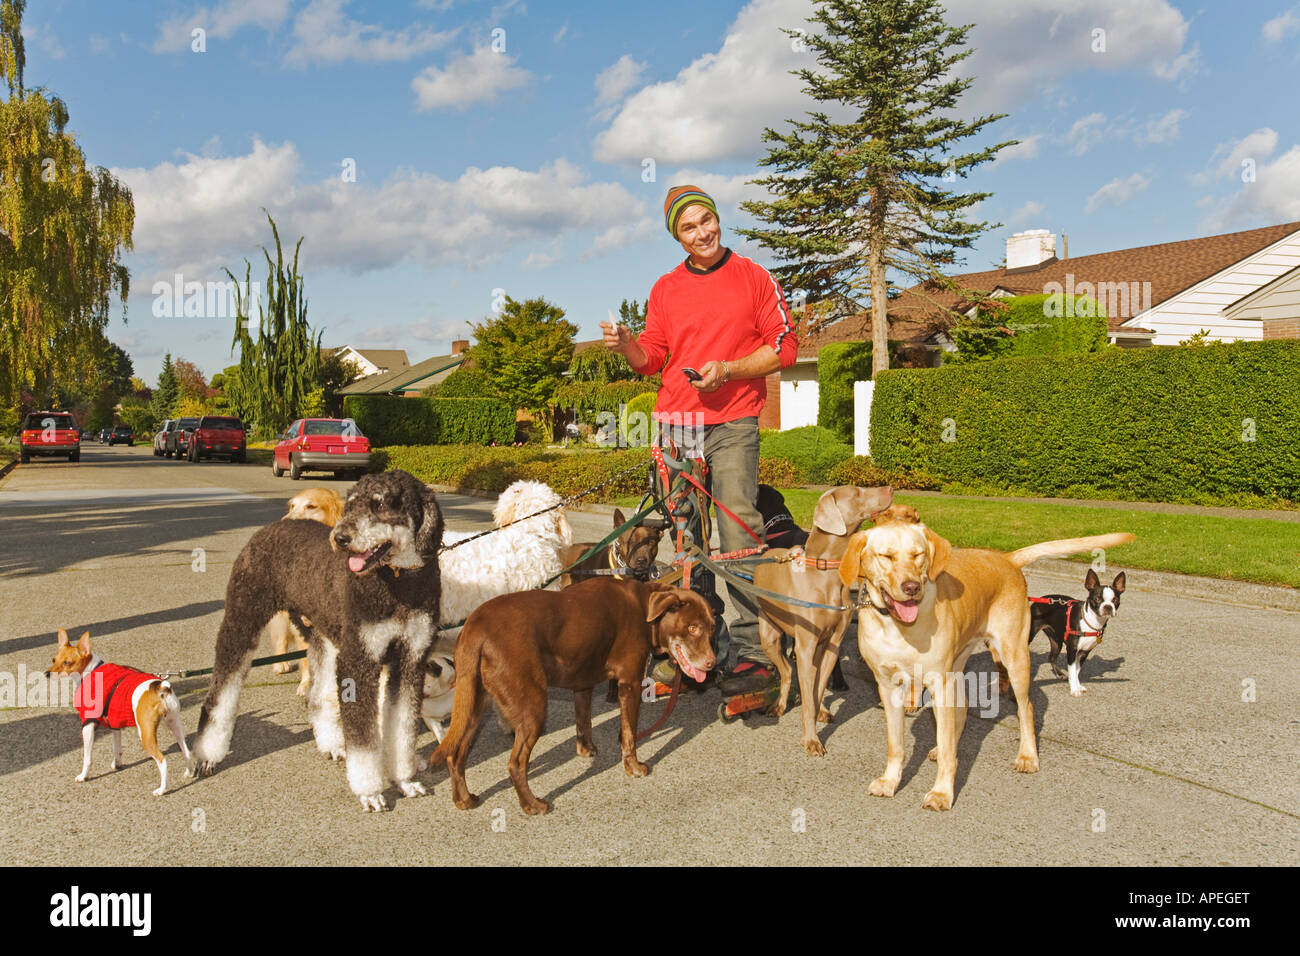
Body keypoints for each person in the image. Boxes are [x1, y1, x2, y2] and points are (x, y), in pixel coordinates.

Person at [601, 185, 798, 696]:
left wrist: (730, 370)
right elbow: (651, 358)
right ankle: (698, 648)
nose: (702, 232)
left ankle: (757, 654)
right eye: (689, 227)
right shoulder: (666, 288)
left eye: (706, 220)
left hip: (734, 421)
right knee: (689, 542)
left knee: (737, 534)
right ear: (678, 237)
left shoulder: (753, 276)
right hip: (677, 424)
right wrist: (628, 346)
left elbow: (785, 346)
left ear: (716, 219)